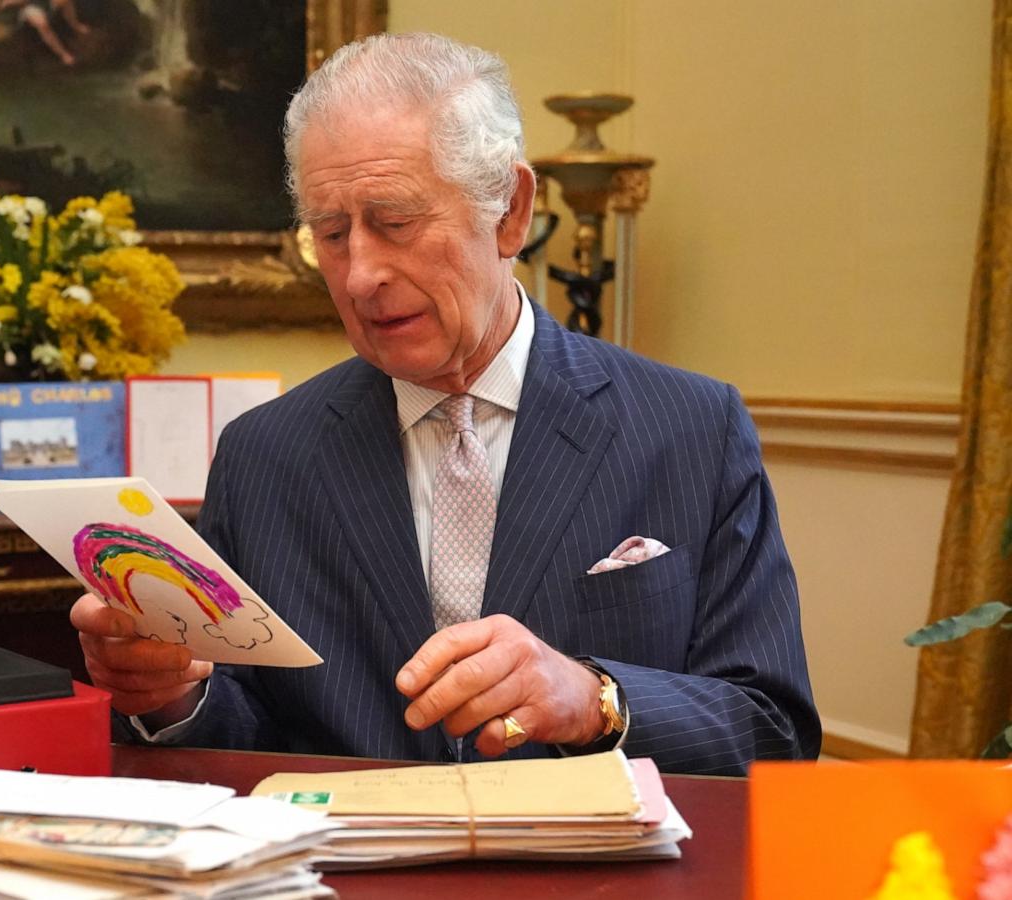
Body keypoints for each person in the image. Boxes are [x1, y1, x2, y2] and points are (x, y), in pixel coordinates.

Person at [69, 32, 821, 775]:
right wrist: (171, 696)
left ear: (510, 213)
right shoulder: (265, 455)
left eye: (396, 223)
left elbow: (775, 732)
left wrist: (596, 700)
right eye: (331, 235)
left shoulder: (691, 428)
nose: (361, 275)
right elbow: (244, 737)